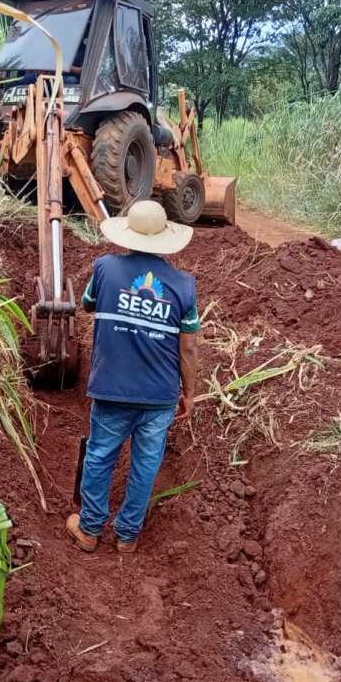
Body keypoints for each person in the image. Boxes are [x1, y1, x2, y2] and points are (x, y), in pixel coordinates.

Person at [67, 199, 200, 555]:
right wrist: (190, 392)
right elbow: (188, 350)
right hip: (159, 396)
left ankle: (90, 529)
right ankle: (127, 535)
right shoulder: (185, 286)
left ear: (128, 233)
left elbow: (87, 304)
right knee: (146, 463)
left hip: (113, 388)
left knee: (100, 456)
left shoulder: (105, 267)